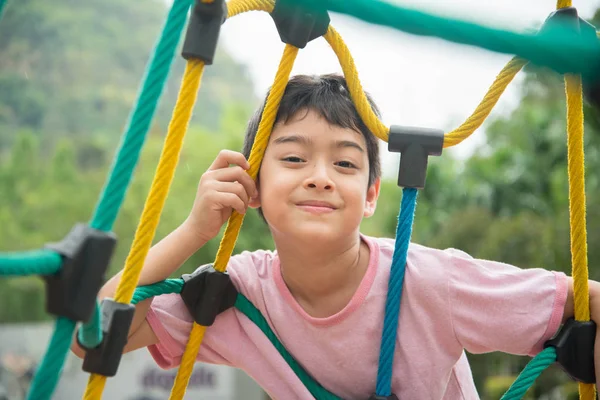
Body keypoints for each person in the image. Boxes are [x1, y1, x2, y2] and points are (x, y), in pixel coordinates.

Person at [73, 74, 600, 399]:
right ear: (253, 185)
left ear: (371, 195)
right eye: (295, 158)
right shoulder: (236, 294)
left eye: (344, 162)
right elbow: (95, 336)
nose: (319, 176)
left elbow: (581, 301)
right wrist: (194, 231)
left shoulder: (427, 281)